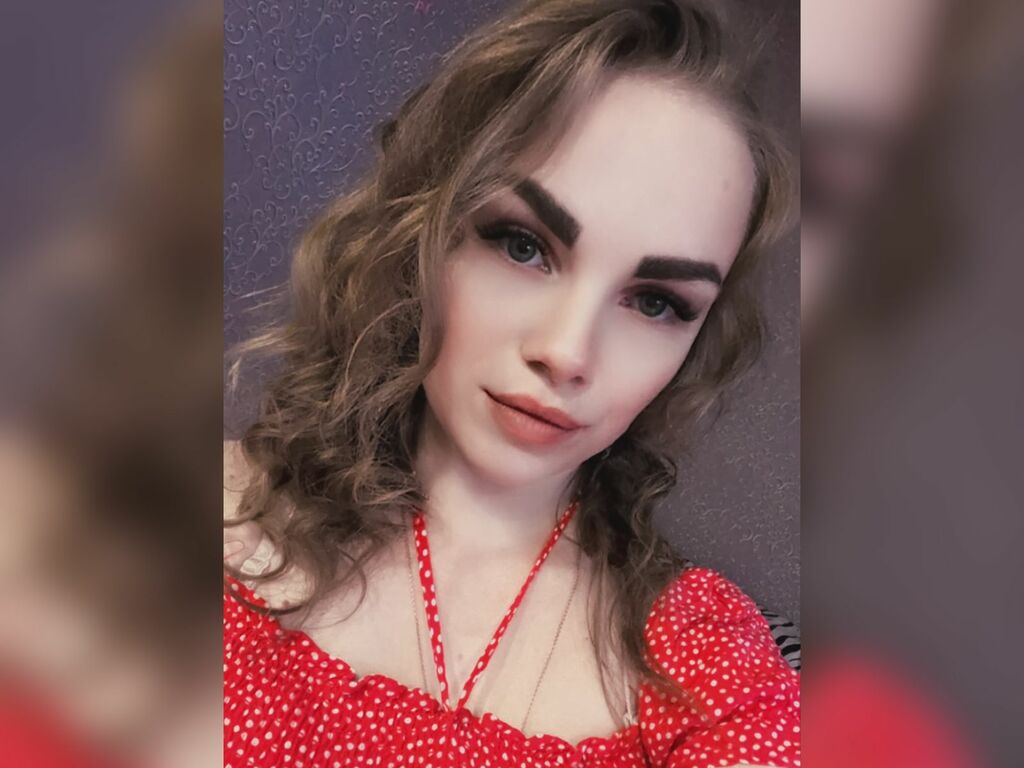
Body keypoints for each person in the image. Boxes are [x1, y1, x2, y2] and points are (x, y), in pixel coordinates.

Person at [223, 0, 798, 765]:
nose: (566, 352)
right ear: (422, 232)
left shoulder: (714, 671)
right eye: (523, 246)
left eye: (656, 302)